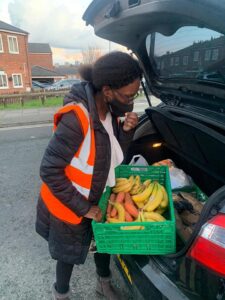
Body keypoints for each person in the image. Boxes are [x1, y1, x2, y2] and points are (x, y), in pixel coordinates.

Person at [35, 51, 142, 300]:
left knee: (104, 244)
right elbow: (49, 170)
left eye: (135, 94)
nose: (132, 100)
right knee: (67, 255)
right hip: (68, 205)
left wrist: (125, 132)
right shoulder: (77, 118)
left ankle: (103, 283)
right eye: (128, 95)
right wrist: (83, 208)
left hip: (98, 197)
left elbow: (112, 158)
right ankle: (60, 293)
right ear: (107, 90)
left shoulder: (111, 113)